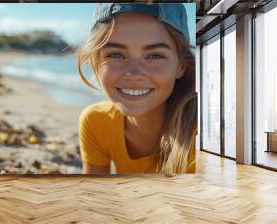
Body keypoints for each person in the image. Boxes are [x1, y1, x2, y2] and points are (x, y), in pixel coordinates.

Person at [76, 3, 197, 175]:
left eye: (154, 56)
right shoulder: (96, 122)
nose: (133, 74)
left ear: (181, 66)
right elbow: (94, 195)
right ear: (96, 63)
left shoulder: (200, 137)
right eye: (115, 54)